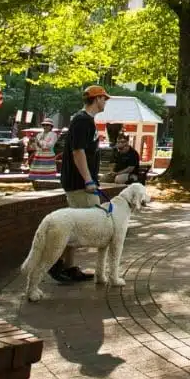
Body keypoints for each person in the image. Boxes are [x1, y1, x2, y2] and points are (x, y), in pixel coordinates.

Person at [50, 85, 109, 283]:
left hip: (82, 182)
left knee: (76, 227)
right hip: (80, 184)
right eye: (104, 98)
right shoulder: (83, 121)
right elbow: (78, 152)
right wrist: (88, 180)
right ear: (96, 98)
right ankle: (55, 263)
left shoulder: (86, 121)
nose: (105, 102)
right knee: (81, 226)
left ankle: (69, 266)